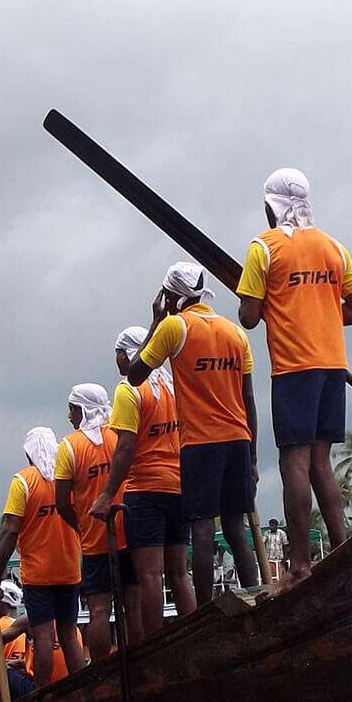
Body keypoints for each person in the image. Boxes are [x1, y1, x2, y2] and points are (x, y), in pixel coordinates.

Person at [235, 168, 352, 585]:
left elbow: (249, 316)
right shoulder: (334, 248)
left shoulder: (264, 248)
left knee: (293, 461)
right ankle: (343, 548)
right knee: (321, 463)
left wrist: (288, 311)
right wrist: (322, 315)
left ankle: (299, 565)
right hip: (332, 365)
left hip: (295, 368)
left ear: (271, 205)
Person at [127, 262, 262, 603]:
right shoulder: (235, 332)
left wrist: (156, 320)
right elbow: (248, 399)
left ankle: (205, 615)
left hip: (201, 443)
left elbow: (135, 374)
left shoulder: (175, 326)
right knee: (235, 528)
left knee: (202, 528)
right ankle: (256, 597)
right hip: (238, 440)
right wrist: (254, 458)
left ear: (171, 296)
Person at [92, 325, 196, 640]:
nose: (117, 361)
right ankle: (194, 636)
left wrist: (107, 495)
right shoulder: (174, 385)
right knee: (179, 572)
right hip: (179, 485)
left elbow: (124, 447)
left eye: (118, 354)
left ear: (127, 355)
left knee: (150, 575)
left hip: (145, 488)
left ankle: (156, 644)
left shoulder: (129, 389)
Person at [0, 426, 88, 683]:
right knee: (68, 633)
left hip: (38, 574)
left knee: (43, 635)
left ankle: (43, 693)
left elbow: (10, 531)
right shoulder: (67, 479)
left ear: (28, 454)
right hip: (69, 571)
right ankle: (83, 688)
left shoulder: (22, 482)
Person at [54, 382, 132, 658]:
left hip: (94, 539)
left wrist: (82, 525)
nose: (70, 417)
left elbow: (61, 501)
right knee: (133, 604)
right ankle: (141, 659)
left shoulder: (69, 446)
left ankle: (100, 670)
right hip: (128, 530)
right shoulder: (119, 434)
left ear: (82, 409)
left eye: (72, 410)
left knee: (99, 609)